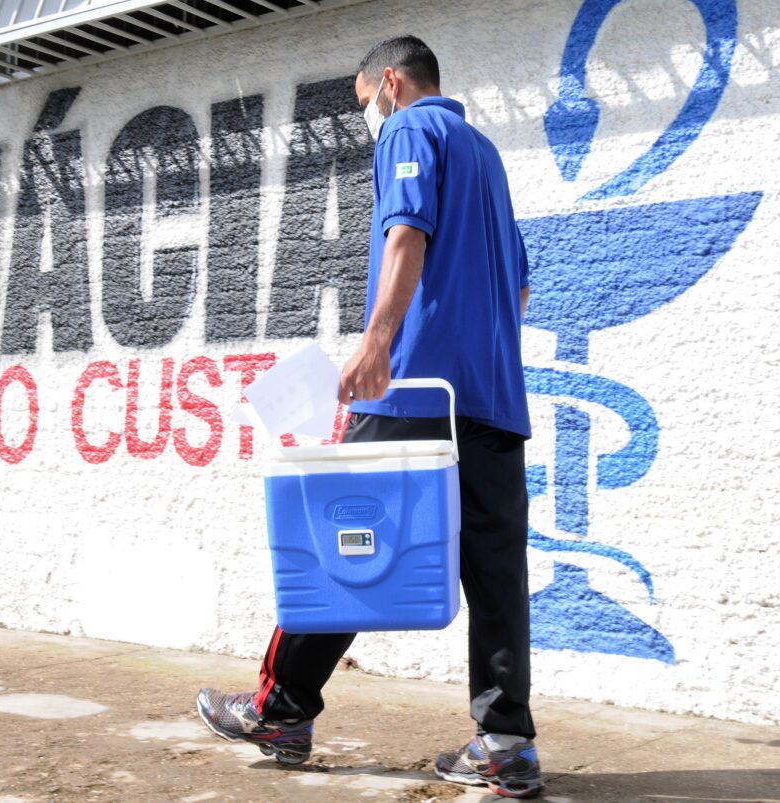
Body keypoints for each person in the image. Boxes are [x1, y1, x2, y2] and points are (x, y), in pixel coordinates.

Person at [195, 35, 542, 799]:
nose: (370, 120)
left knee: (338, 543)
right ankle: (505, 742)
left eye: (364, 105)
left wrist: (377, 344)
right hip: (491, 400)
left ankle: (279, 710)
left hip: (413, 388)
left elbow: (405, 234)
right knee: (495, 574)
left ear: (388, 82)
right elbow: (519, 287)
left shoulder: (414, 129)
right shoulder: (486, 156)